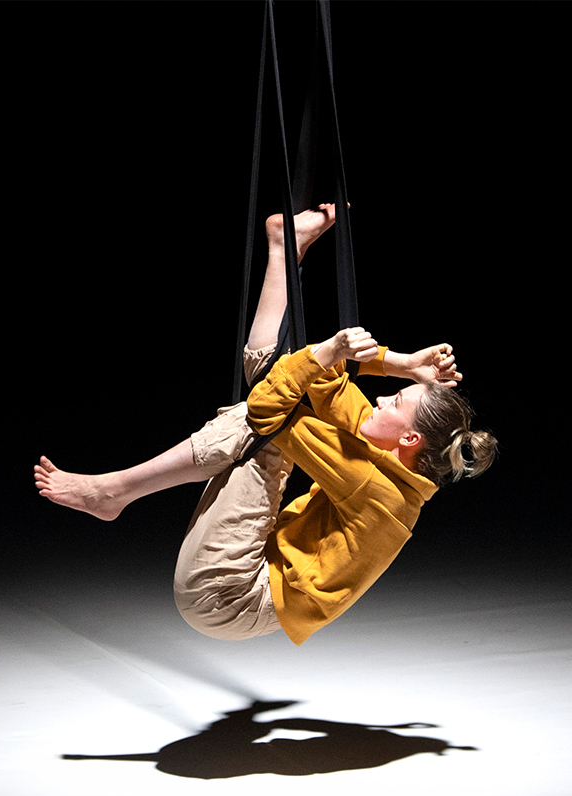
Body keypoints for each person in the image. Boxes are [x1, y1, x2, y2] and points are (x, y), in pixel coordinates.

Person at [35, 204, 496, 645]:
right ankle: (282, 246)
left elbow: (266, 409)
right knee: (290, 383)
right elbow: (319, 378)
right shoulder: (393, 459)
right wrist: (405, 365)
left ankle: (115, 491)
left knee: (263, 426)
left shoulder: (378, 490)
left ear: (410, 438)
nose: (380, 399)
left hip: (227, 597)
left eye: (394, 400)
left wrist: (334, 357)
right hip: (250, 575)